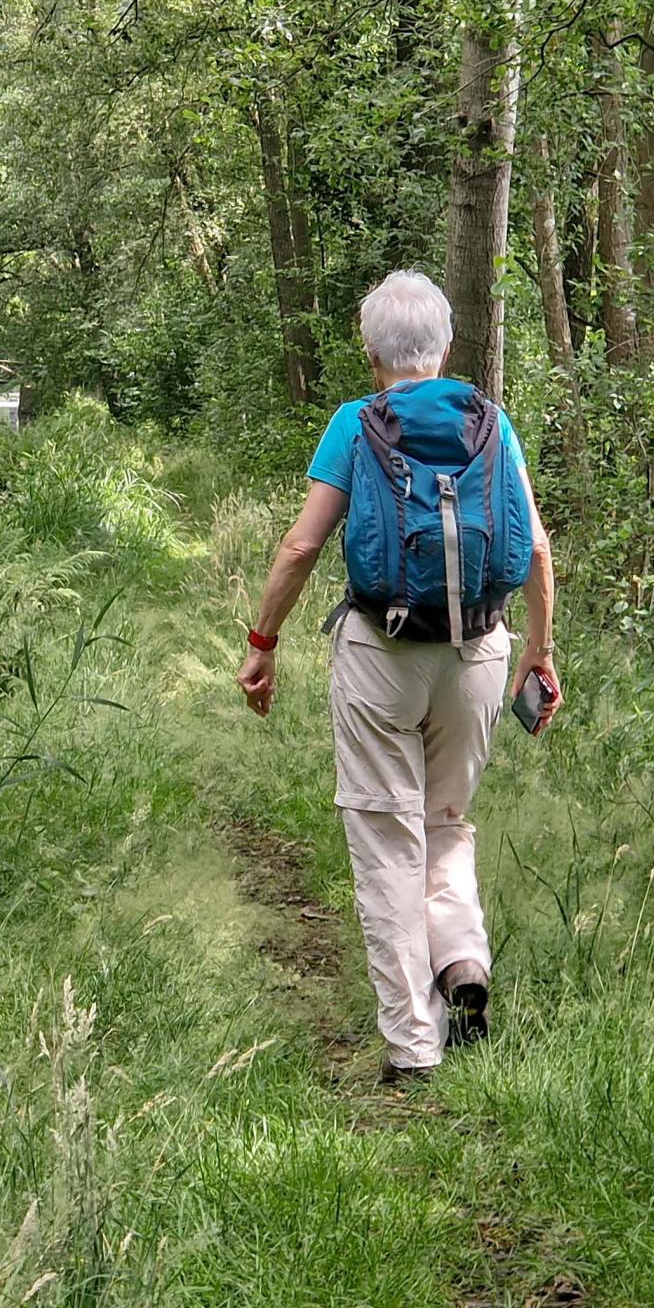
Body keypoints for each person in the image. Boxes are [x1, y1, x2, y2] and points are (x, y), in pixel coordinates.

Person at [235, 270, 560, 1083]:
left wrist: (262, 640)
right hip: (479, 653)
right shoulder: (492, 423)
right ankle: (463, 963)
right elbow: (540, 549)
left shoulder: (355, 423)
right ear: (445, 345)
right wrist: (539, 652)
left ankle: (413, 1047)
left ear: (370, 352)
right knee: (446, 822)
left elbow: (302, 546)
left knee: (388, 841)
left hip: (383, 654)